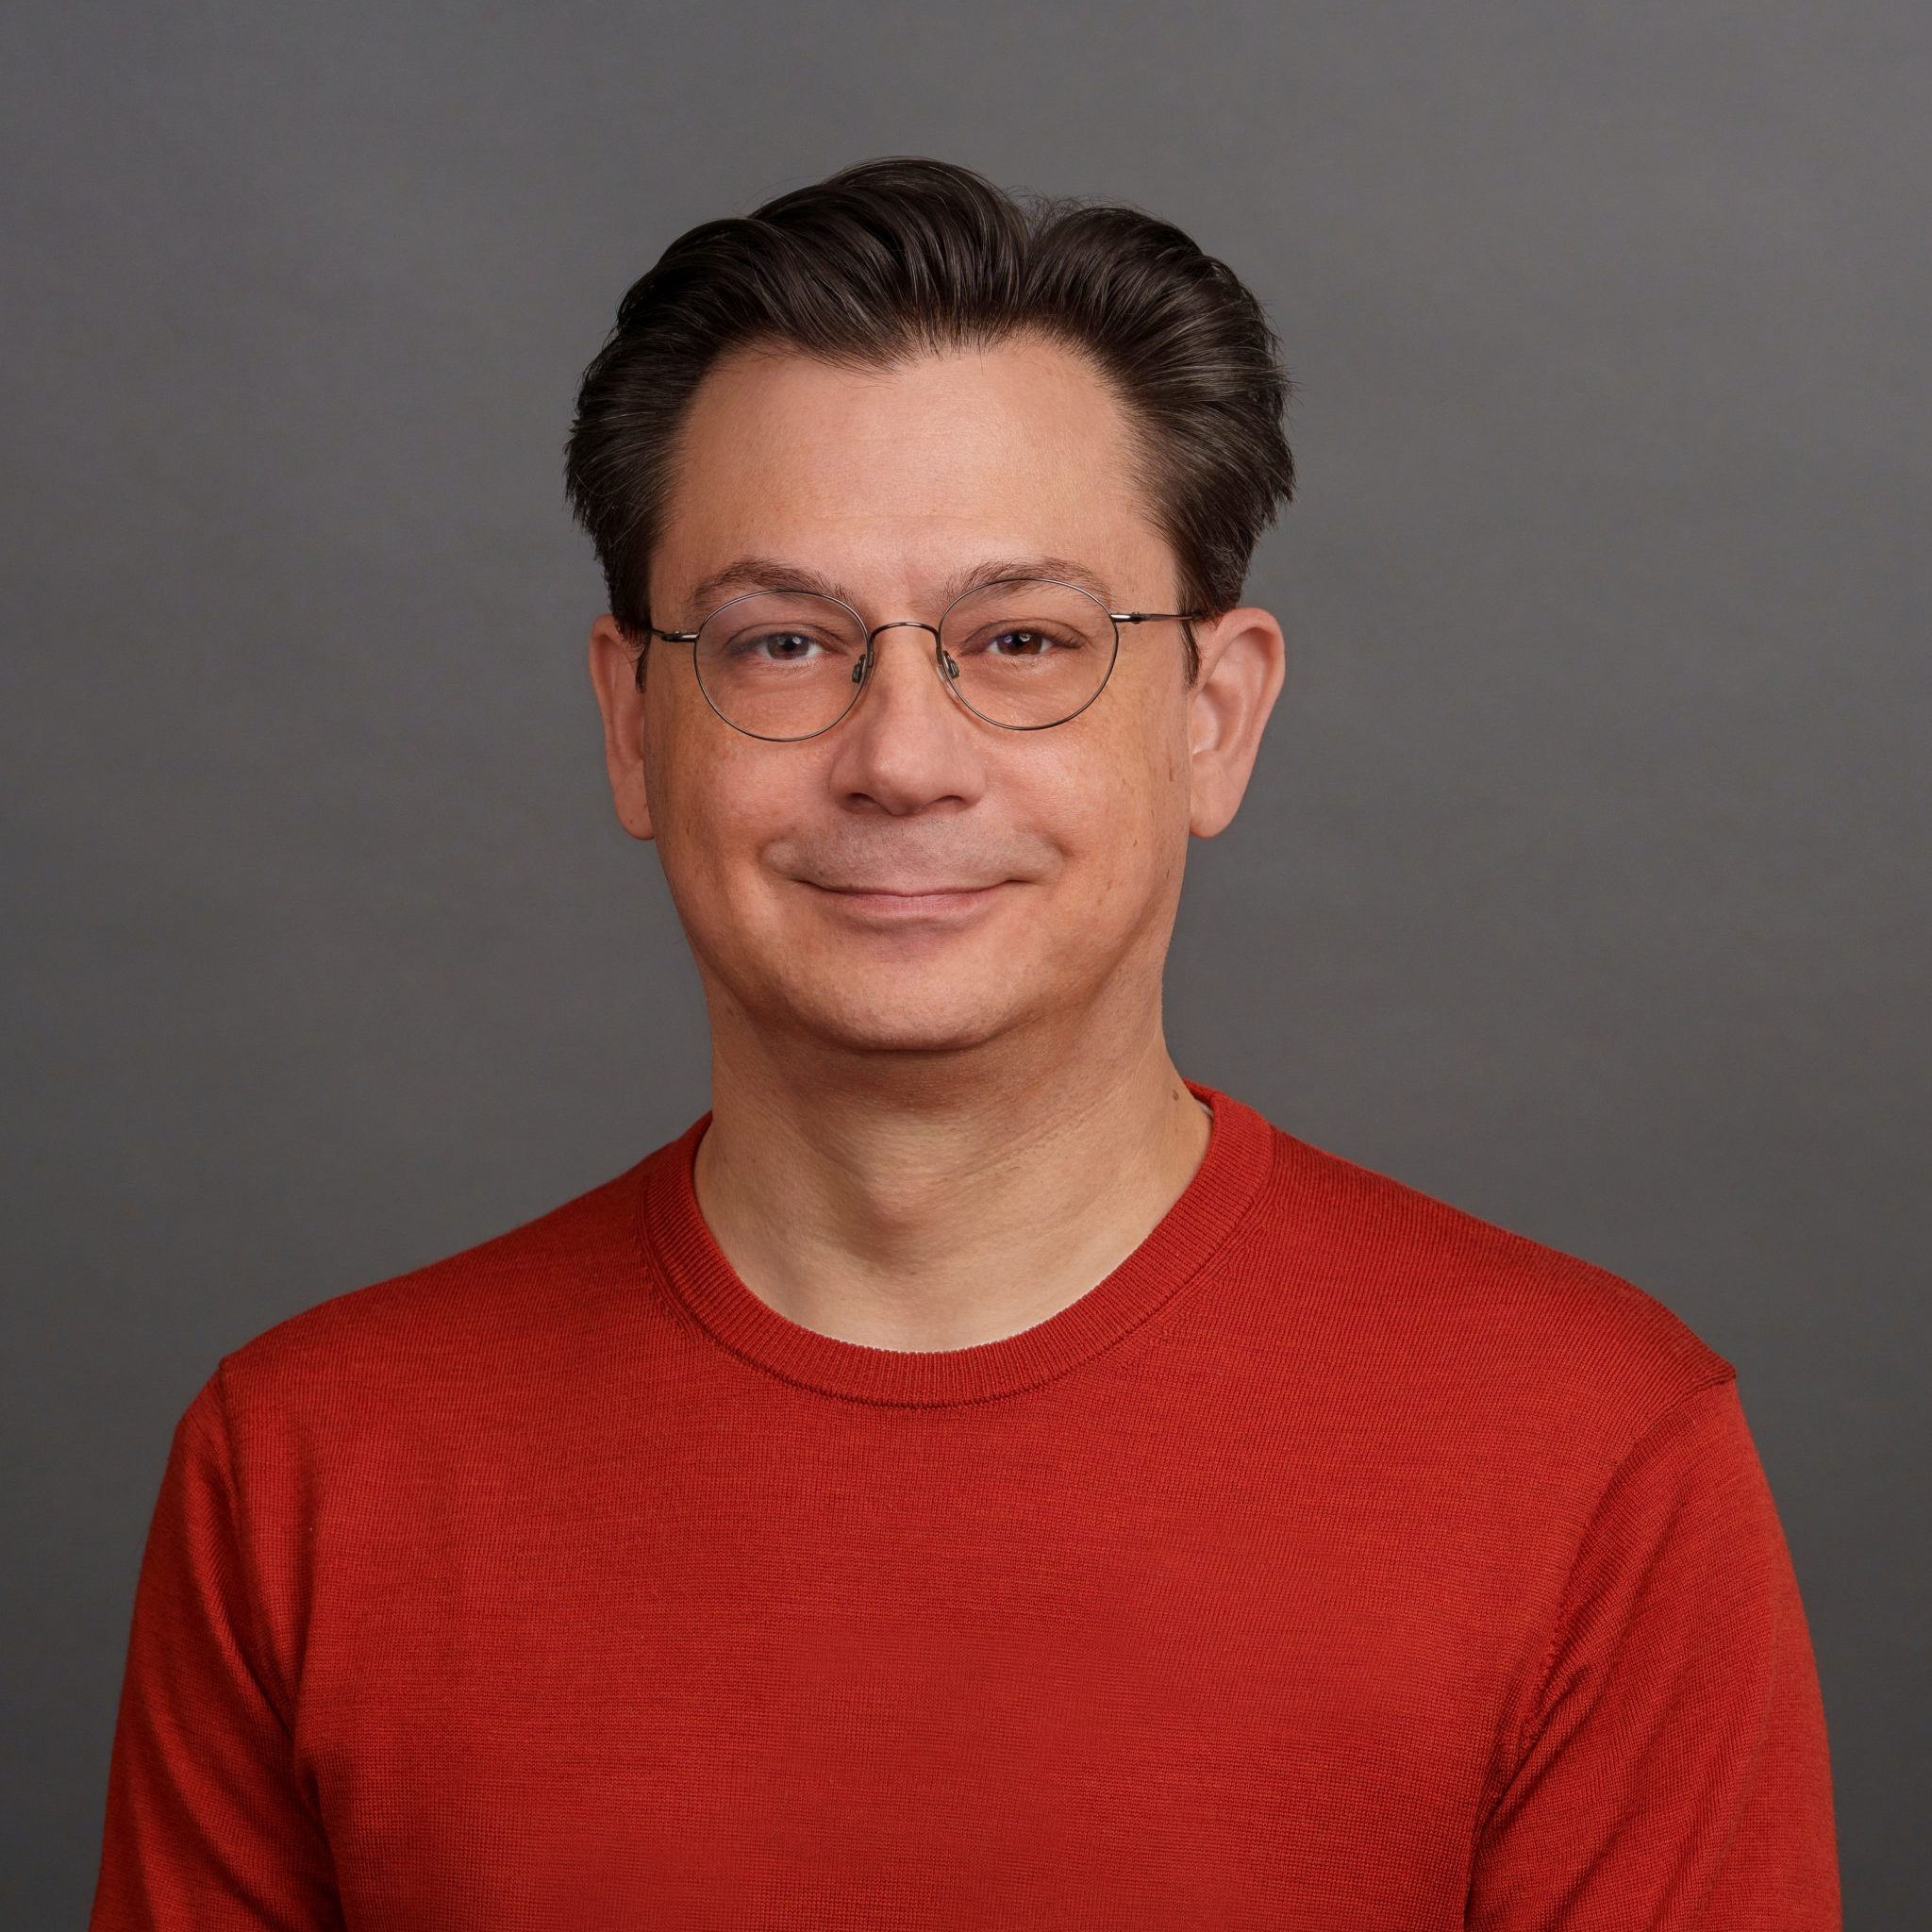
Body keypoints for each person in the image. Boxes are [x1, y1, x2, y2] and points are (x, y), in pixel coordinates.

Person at [88, 157, 1840, 1929]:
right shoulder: (313, 1466)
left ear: (1214, 719)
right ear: (632, 725)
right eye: (785, 642)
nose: (902, 756)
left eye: (1022, 640)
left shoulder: (1593, 1453)